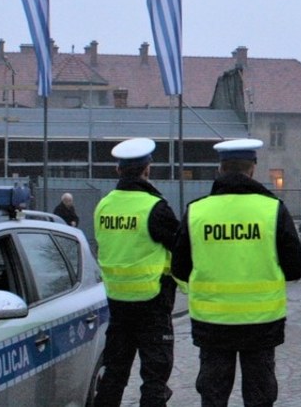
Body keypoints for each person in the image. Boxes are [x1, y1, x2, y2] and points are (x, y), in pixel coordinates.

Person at [173, 138, 301, 407]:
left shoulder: (196, 211)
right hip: (261, 323)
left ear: (220, 169)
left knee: (213, 396)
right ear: (252, 170)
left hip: (212, 323)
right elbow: (296, 268)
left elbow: (179, 268)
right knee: (259, 395)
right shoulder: (272, 210)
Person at [92, 137, 181, 407]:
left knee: (113, 376)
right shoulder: (154, 208)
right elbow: (179, 246)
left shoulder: (104, 206)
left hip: (117, 304)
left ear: (118, 170)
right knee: (154, 380)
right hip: (152, 304)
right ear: (147, 170)